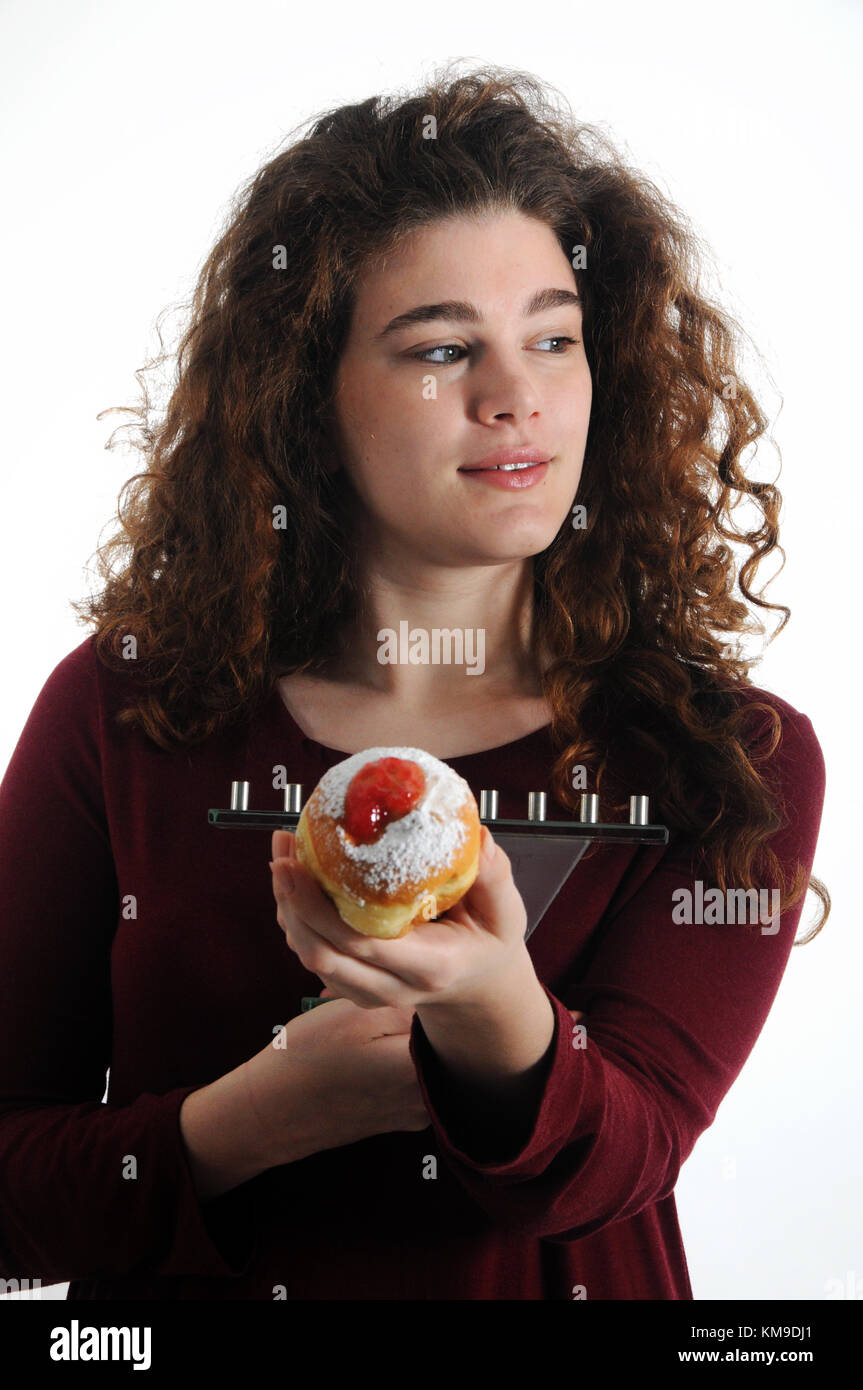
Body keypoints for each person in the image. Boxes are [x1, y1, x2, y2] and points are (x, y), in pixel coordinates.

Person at [0, 64, 828, 1301]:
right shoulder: (120, 714)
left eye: (553, 337)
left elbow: (626, 1161)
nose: (516, 398)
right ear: (305, 400)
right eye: (442, 349)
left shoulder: (724, 753)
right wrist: (256, 1118)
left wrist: (498, 1021)